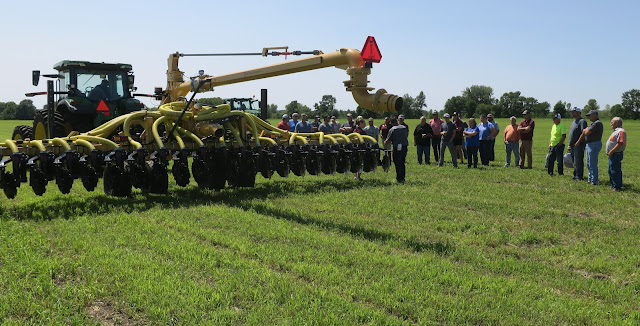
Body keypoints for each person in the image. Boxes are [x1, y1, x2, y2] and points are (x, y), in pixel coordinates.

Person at [575, 110, 603, 185]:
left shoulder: (597, 123)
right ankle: (590, 179)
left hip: (594, 144)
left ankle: (594, 181)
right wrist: (585, 130)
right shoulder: (592, 124)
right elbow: (584, 132)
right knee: (589, 163)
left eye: (590, 115)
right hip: (590, 144)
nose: (589, 117)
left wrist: (585, 130)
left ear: (595, 115)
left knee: (592, 163)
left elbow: (586, 132)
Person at [384, 117, 409, 183]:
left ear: (391, 123)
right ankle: (403, 178)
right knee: (402, 163)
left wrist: (385, 142)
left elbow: (388, 140)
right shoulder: (404, 127)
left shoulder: (392, 129)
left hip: (396, 148)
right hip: (404, 147)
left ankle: (399, 178)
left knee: (397, 163)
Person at [605, 117, 626, 191]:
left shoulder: (620, 131)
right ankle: (613, 185)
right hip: (613, 154)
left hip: (616, 154)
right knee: (611, 170)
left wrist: (611, 151)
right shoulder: (616, 131)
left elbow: (620, 143)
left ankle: (617, 186)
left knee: (615, 170)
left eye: (612, 122)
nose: (611, 124)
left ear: (617, 123)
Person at [567, 107, 588, 180]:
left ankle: (579, 176)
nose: (573, 113)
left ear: (579, 113)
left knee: (578, 161)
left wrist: (578, 142)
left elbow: (584, 132)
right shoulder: (574, 122)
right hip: (572, 145)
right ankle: (575, 174)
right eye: (572, 112)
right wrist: (569, 144)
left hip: (579, 145)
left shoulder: (582, 121)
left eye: (574, 112)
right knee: (574, 161)